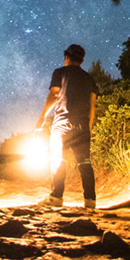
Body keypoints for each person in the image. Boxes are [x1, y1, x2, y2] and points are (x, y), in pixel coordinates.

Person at [34, 43, 97, 210]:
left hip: (62, 124)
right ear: (82, 61)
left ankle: (56, 197)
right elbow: (92, 105)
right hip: (82, 126)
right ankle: (90, 200)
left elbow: (54, 94)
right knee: (85, 163)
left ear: (67, 58)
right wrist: (89, 127)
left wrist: (42, 118)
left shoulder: (59, 72)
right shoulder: (89, 78)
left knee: (58, 160)